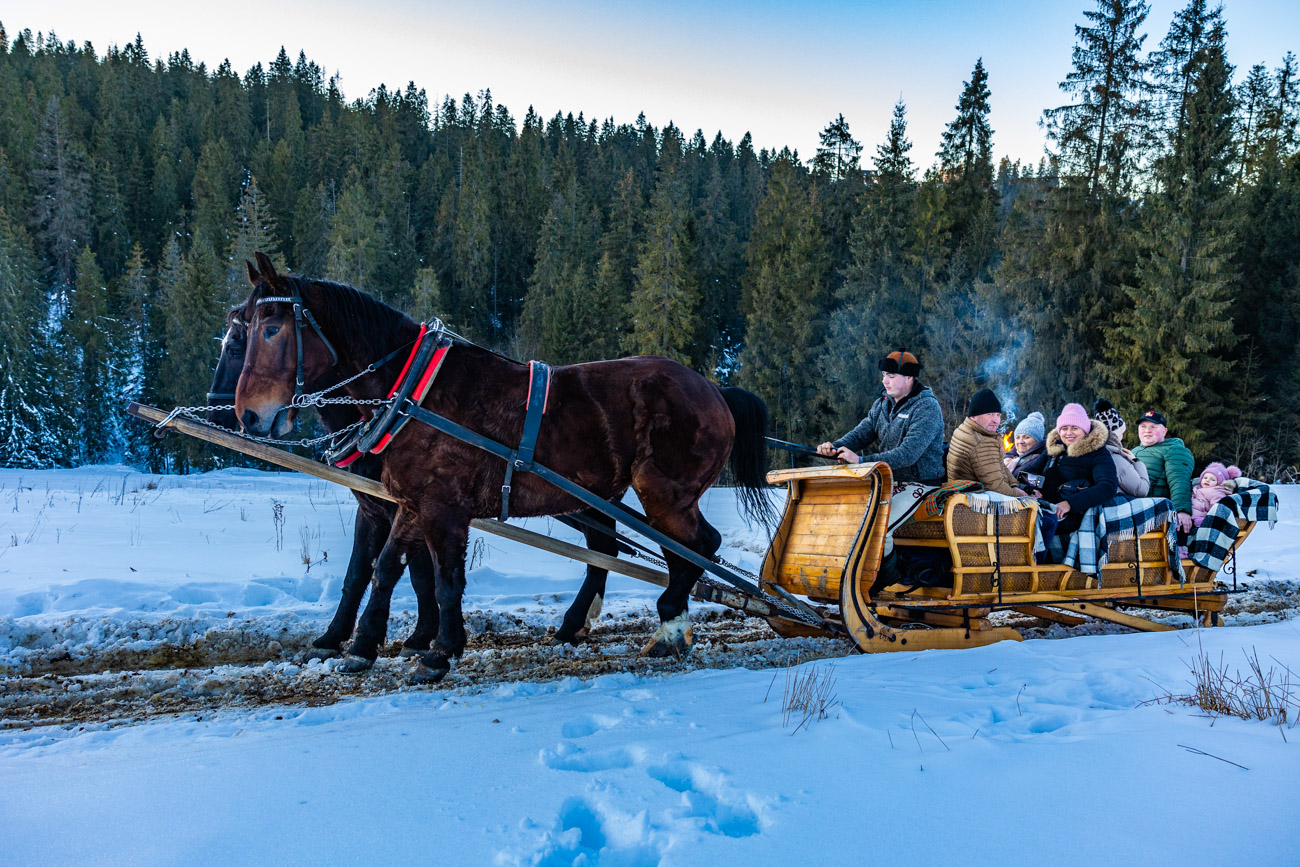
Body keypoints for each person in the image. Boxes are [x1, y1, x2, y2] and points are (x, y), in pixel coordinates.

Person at [816, 349, 945, 484]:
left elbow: (908, 454)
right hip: (887, 480)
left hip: (921, 483)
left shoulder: (927, 407)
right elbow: (860, 436)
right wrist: (835, 448)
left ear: (909, 377)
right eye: (883, 375)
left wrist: (861, 461)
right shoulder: (882, 404)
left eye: (891, 376)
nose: (884, 381)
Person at [1041, 403, 1119, 542]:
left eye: (1075, 428)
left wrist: (1070, 504)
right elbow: (1032, 470)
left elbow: (1107, 486)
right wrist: (1032, 489)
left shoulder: (1098, 452)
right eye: (1064, 428)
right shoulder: (1055, 450)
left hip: (1075, 511)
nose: (1069, 433)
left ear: (1085, 430)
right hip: (1047, 504)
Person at [947, 388, 1027, 496]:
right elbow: (997, 488)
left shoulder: (963, 430)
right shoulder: (982, 442)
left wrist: (1014, 485)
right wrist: (1023, 497)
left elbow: (1000, 466)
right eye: (990, 414)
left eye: (998, 415)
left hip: (961, 493)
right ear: (973, 416)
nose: (996, 420)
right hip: (976, 500)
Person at [1132, 410, 1195, 534]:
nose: (1147, 430)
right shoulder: (1134, 451)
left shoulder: (1174, 450)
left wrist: (1182, 511)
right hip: (1130, 508)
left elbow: (1179, 480)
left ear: (1164, 432)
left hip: (1153, 511)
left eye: (1153, 427)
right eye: (1143, 426)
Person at [1092, 399, 1150, 497]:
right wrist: (1136, 461)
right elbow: (1141, 490)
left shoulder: (1095, 451)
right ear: (1117, 433)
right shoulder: (1114, 458)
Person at [1191, 462, 1242, 527]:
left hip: (1199, 517)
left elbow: (1216, 508)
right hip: (1188, 513)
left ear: (1219, 483)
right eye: (1205, 478)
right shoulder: (1196, 488)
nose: (1207, 480)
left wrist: (1208, 519)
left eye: (1212, 479)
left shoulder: (1216, 492)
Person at [1005, 411, 1048, 480]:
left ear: (1038, 439)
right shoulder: (1011, 457)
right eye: (1017, 437)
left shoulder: (1043, 460)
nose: (1020, 441)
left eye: (1026, 437)